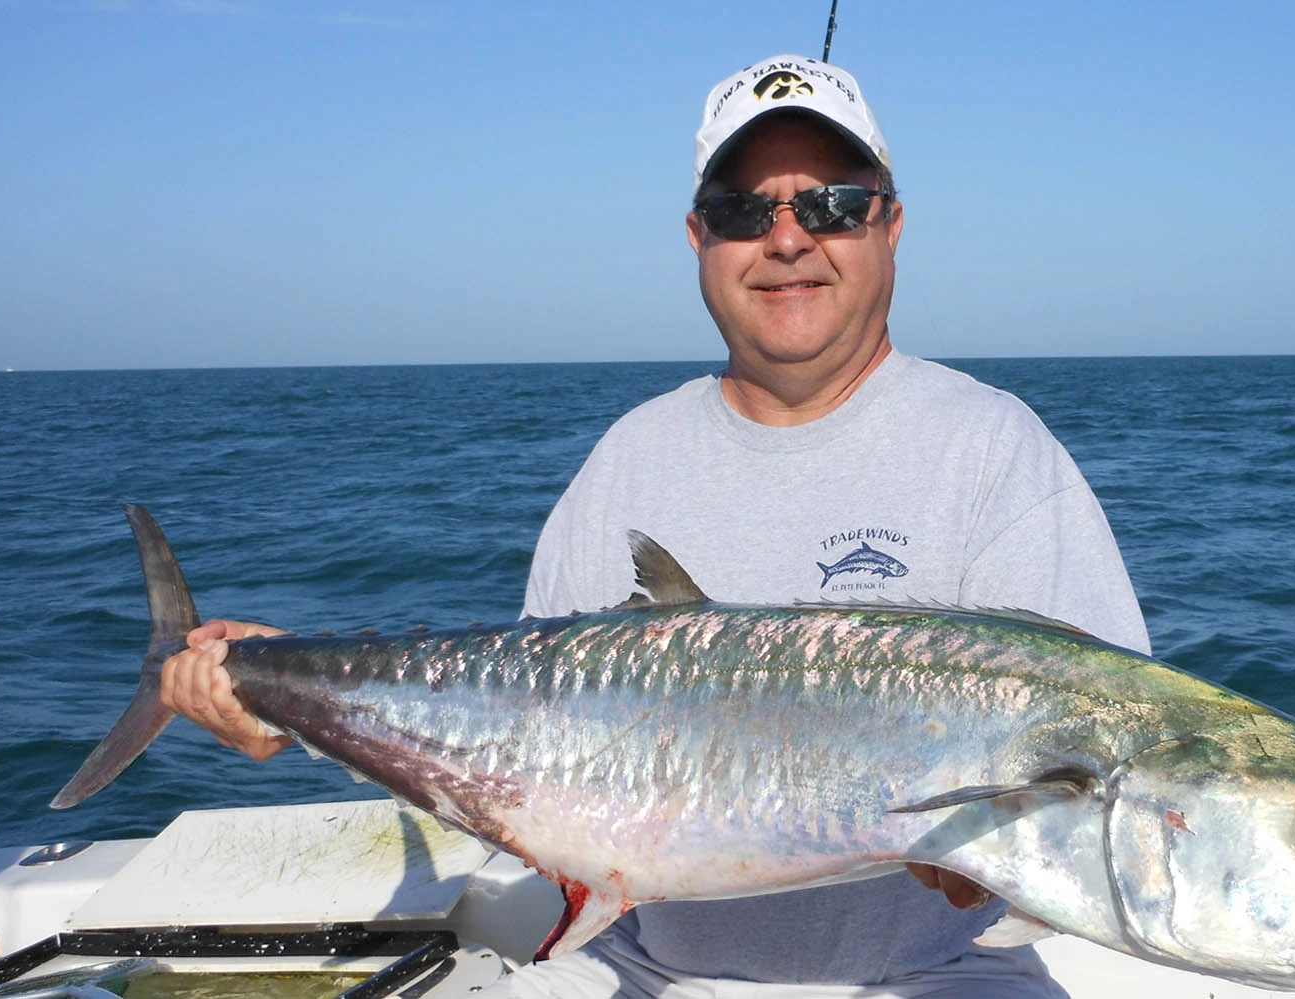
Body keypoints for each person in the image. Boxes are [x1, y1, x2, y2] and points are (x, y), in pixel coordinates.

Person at [161, 54, 1149, 998]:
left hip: (942, 975)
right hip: (639, 969)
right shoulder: (625, 463)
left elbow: (1106, 791)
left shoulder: (995, 453)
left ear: (890, 224)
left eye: (834, 204)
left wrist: (1008, 865)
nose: (790, 238)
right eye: (742, 211)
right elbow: (518, 771)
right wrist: (288, 700)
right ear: (697, 239)